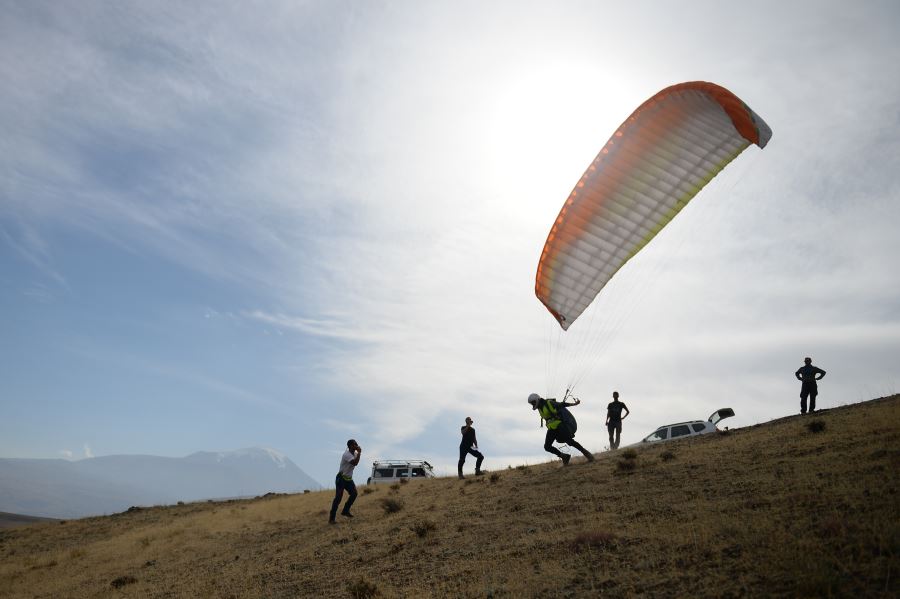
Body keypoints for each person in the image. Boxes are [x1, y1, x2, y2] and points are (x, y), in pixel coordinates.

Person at [527, 393, 595, 465]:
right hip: (552, 428)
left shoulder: (549, 403)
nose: (533, 404)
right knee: (547, 447)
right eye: (532, 403)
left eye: (533, 402)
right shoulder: (540, 408)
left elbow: (561, 405)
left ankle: (586, 453)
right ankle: (564, 456)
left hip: (560, 425)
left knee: (570, 442)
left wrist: (574, 404)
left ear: (537, 399)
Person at [329, 439, 361, 523]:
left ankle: (345, 511)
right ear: (350, 446)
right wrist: (360, 453)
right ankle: (331, 519)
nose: (356, 445)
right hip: (341, 478)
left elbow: (356, 460)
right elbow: (355, 463)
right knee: (338, 498)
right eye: (355, 444)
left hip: (348, 478)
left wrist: (358, 453)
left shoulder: (355, 453)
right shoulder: (346, 454)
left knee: (354, 494)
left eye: (356, 444)